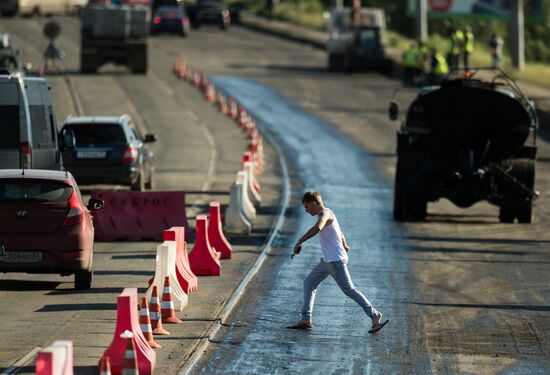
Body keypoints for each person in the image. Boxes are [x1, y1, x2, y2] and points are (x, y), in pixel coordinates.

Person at [289, 191, 389, 334]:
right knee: (309, 283)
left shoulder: (324, 214)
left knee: (349, 289)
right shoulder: (329, 214)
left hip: (335, 261)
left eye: (306, 207)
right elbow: (339, 232)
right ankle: (305, 319)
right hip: (327, 261)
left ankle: (374, 315)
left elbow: (318, 227)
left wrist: (300, 241)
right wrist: (345, 244)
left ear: (314, 203)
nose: (306, 210)